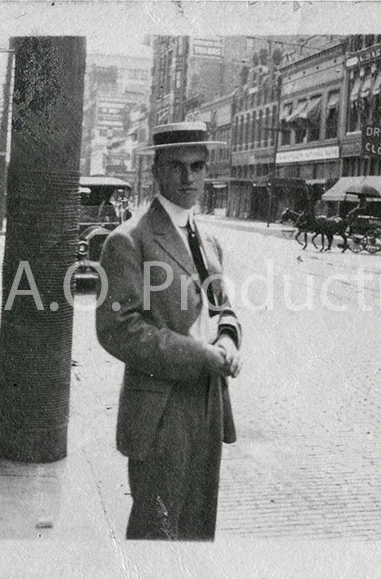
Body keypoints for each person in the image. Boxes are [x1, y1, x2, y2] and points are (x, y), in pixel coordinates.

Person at [96, 122, 242, 541]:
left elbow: (223, 308)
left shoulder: (209, 240)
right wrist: (200, 354)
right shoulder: (129, 240)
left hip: (210, 403)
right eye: (176, 166)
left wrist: (229, 339)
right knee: (158, 531)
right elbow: (118, 329)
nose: (188, 177)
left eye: (197, 166)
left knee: (198, 526)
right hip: (160, 410)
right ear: (156, 170)